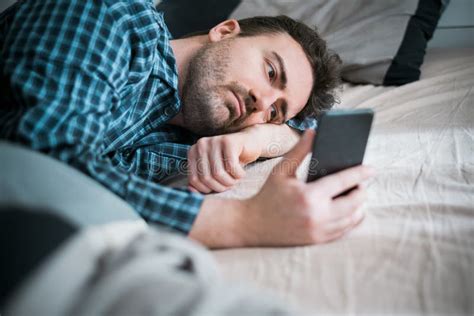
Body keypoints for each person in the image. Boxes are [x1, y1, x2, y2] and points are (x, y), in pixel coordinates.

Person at [0, 0, 374, 248]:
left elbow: (304, 127)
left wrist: (259, 138)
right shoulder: (110, 16)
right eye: (270, 71)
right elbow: (41, 161)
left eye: (275, 110)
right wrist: (245, 221)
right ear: (225, 31)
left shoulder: (192, 135)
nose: (262, 102)